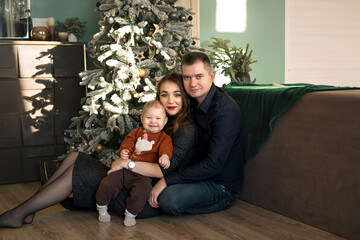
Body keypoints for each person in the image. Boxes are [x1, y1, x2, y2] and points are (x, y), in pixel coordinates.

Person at [0, 72, 197, 228]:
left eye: (177, 94)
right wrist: (125, 159)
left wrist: (126, 163)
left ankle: (18, 214)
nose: (170, 100)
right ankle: (30, 210)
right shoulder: (162, 120)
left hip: (142, 196)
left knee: (76, 173)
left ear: (185, 96)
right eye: (164, 94)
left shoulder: (186, 129)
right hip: (126, 177)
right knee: (75, 156)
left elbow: (163, 171)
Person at [148, 51, 243, 215]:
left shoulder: (225, 111)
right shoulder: (189, 100)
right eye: (187, 77)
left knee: (169, 199)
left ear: (211, 76)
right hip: (193, 175)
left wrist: (167, 180)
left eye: (199, 76)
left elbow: (213, 164)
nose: (193, 83)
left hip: (219, 185)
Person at [95, 100, 172, 226]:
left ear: (165, 121)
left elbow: (166, 149)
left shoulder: (164, 138)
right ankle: (102, 207)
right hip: (125, 170)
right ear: (142, 118)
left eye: (158, 118)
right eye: (149, 117)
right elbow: (128, 144)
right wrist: (124, 151)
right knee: (107, 183)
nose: (153, 121)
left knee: (142, 191)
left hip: (143, 175)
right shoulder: (136, 133)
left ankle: (131, 214)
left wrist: (165, 156)